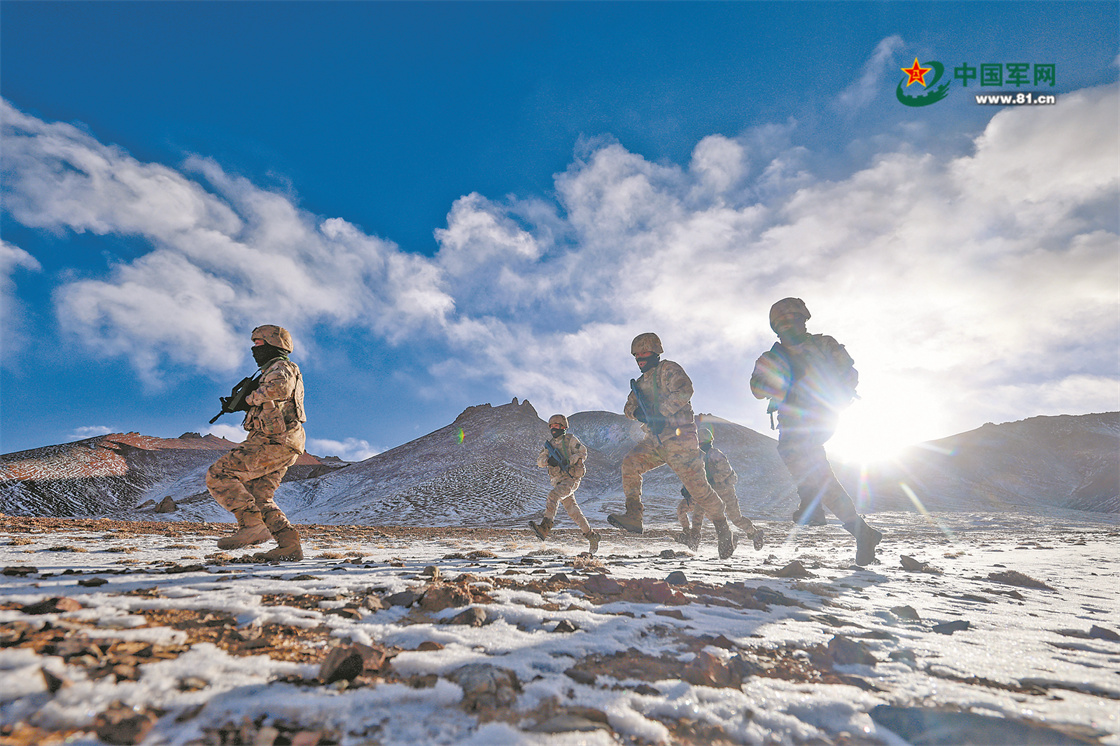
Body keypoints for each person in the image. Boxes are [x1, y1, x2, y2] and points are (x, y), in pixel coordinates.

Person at [750, 298, 882, 565]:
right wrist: (781, 383)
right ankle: (860, 531)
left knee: (795, 450)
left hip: (820, 414)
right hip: (792, 420)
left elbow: (849, 375)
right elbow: (756, 389)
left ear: (804, 319)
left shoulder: (824, 345)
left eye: (794, 319)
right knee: (818, 474)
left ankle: (810, 503)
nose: (789, 325)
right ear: (776, 327)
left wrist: (830, 396)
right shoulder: (771, 357)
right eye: (783, 322)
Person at [609, 333, 736, 559]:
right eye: (636, 355)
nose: (640, 358)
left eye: (645, 353)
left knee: (699, 491)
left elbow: (685, 390)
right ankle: (634, 516)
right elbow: (627, 408)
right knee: (630, 464)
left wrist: (662, 413)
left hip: (680, 439)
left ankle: (722, 527)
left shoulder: (668, 370)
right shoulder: (639, 384)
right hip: (656, 441)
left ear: (656, 352)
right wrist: (638, 413)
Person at [206, 325, 306, 561]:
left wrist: (249, 399)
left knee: (219, 474)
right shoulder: (269, 371)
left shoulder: (281, 367)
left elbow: (279, 388)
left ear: (274, 344)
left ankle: (251, 525)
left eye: (258, 343)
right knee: (258, 496)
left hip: (274, 440)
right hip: (286, 442)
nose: (254, 349)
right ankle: (289, 544)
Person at [677, 424, 765, 552]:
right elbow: (692, 474)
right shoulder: (697, 456)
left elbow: (726, 471)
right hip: (707, 492)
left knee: (736, 519)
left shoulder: (715, 454)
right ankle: (693, 538)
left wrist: (712, 480)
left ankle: (755, 533)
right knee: (697, 513)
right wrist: (686, 488)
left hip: (724, 491)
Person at [530, 414, 602, 554]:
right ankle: (592, 536)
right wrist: (548, 460)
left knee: (553, 496)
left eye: (556, 426)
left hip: (571, 479)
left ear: (563, 427)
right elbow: (539, 462)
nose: (553, 429)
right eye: (551, 426)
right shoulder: (549, 445)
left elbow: (583, 452)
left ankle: (544, 528)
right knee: (573, 512)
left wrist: (570, 460)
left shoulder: (570, 439)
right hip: (558, 481)